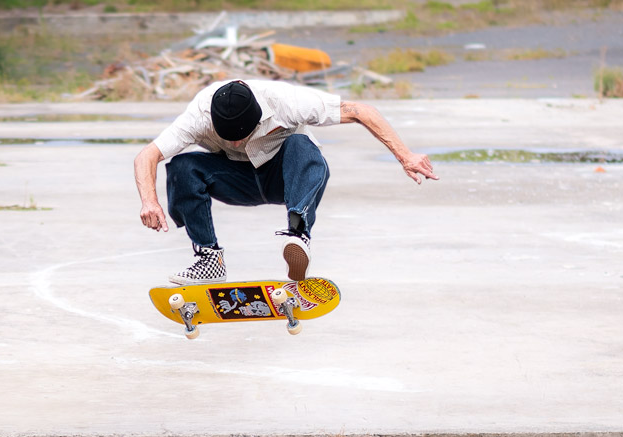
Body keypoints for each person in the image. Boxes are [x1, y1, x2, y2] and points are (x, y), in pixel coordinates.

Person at [132, 79, 439, 284]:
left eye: (245, 135)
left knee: (301, 145)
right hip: (235, 180)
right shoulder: (198, 115)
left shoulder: (287, 101)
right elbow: (147, 156)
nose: (237, 144)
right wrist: (149, 200)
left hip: (286, 177)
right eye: (229, 138)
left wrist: (405, 155)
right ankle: (209, 260)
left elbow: (361, 111)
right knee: (183, 166)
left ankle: (298, 233)